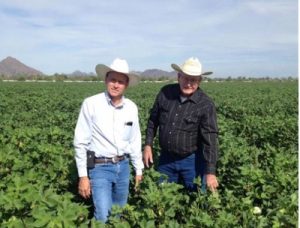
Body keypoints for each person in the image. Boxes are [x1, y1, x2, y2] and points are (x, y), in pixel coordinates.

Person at [74, 58, 144, 222]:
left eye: (120, 81)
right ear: (106, 79)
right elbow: (80, 142)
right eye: (113, 79)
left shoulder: (131, 108)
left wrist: (138, 170)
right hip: (100, 167)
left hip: (124, 167)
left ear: (126, 85)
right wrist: (83, 176)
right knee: (103, 217)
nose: (116, 85)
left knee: (117, 214)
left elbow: (134, 140)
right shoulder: (91, 104)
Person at [143, 57, 219, 192]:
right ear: (179, 77)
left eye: (193, 80)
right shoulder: (165, 93)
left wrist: (210, 172)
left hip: (192, 161)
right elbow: (153, 121)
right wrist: (148, 145)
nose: (188, 83)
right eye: (185, 78)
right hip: (166, 160)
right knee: (162, 197)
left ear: (199, 81)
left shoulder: (205, 104)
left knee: (195, 199)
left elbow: (210, 140)